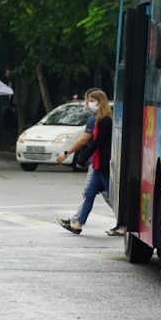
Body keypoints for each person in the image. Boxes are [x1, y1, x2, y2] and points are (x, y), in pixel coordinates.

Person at [56, 89, 113, 235]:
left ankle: (124, 223)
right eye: (88, 100)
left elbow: (93, 142)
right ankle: (78, 224)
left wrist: (73, 155)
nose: (88, 103)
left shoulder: (104, 120)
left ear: (100, 103)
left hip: (102, 163)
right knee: (89, 193)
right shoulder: (96, 119)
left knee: (111, 195)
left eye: (91, 101)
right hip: (96, 163)